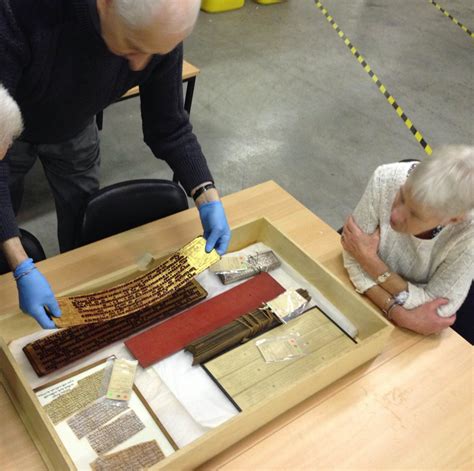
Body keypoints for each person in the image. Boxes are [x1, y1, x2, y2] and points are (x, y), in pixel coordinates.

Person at [0, 0, 231, 329]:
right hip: (7, 130)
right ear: (104, 5)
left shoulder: (156, 28)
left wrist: (206, 194)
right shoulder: (24, 13)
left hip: (76, 125)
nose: (139, 65)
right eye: (134, 46)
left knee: (83, 221)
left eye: (154, 51)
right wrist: (20, 265)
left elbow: (169, 126)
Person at [341, 146, 473, 336]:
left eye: (415, 214)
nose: (395, 215)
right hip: (361, 304)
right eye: (402, 196)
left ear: (452, 219)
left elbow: (439, 310)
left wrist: (370, 262)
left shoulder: (468, 232)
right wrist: (400, 314)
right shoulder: (386, 178)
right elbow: (351, 255)